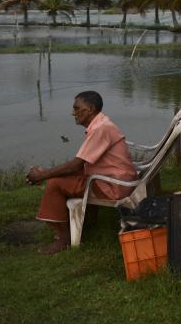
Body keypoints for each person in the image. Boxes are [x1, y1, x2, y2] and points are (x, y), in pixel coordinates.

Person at [26, 91, 137, 254]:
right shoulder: (102, 124)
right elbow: (80, 164)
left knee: (55, 183)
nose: (73, 113)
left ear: (90, 109)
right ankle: (86, 223)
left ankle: (63, 239)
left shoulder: (101, 129)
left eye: (77, 108)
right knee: (60, 176)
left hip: (114, 186)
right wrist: (48, 173)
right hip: (116, 180)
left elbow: (76, 165)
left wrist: (42, 175)